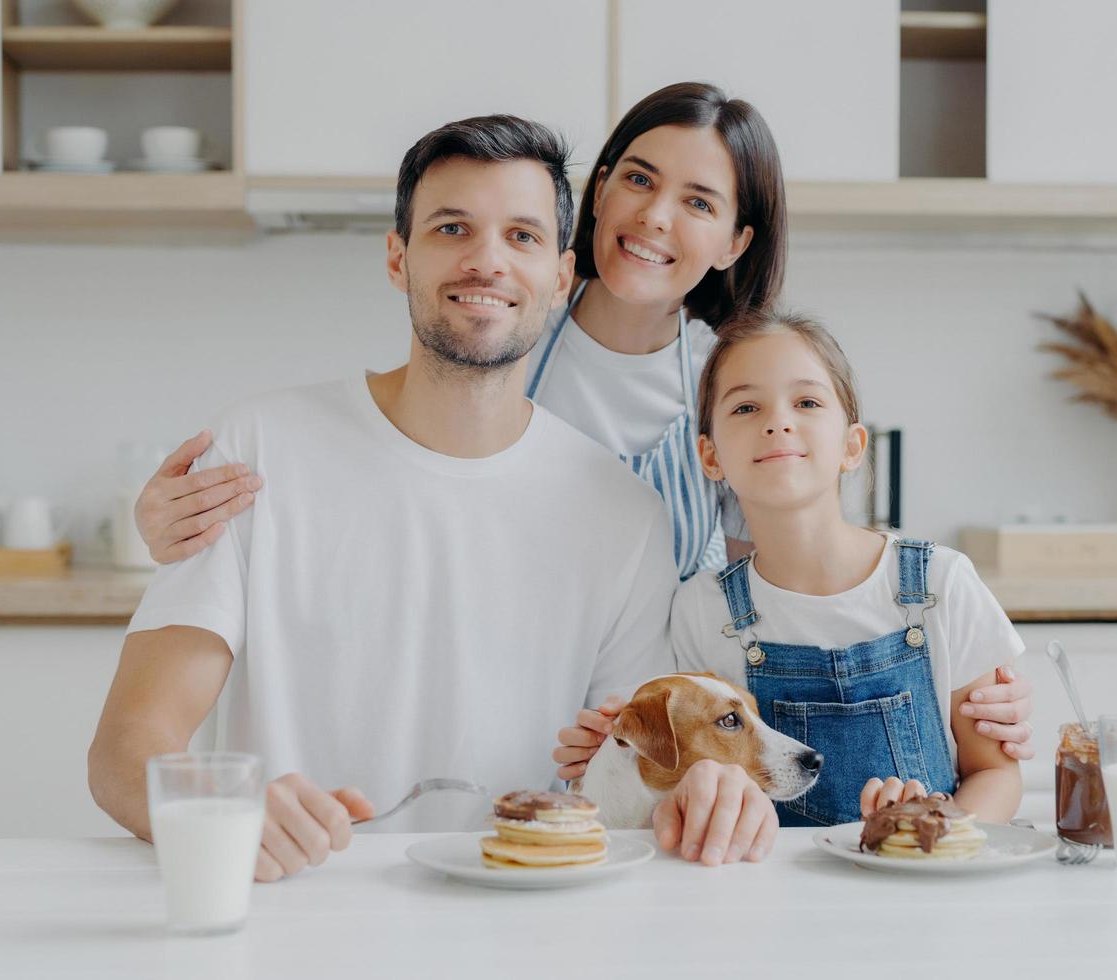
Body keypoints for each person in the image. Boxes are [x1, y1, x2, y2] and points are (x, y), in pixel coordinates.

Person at [132, 82, 1038, 761]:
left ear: (734, 243)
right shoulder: (494, 333)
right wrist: (175, 528)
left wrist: (947, 685)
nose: (653, 216)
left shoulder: (739, 389)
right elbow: (362, 478)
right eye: (638, 180)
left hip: (642, 745)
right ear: (596, 196)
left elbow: (810, 585)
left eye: (699, 201)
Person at [90, 115, 706, 884]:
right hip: (295, 912)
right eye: (452, 228)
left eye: (522, 236)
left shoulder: (623, 516)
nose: (486, 261)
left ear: (560, 274)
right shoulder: (257, 449)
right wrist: (221, 812)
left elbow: (628, 783)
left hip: (522, 917)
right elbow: (125, 748)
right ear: (397, 256)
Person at [557, 310, 1023, 846]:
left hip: (924, 895)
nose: (778, 421)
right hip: (764, 903)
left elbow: (996, 773)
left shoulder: (941, 583)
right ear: (710, 456)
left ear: (852, 445)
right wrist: (610, 752)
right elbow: (681, 780)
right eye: (747, 406)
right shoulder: (701, 609)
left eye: (806, 402)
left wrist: (938, 831)